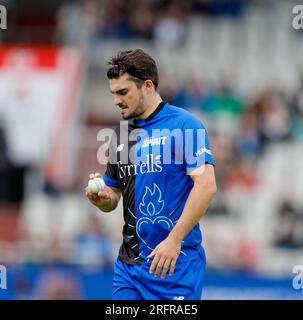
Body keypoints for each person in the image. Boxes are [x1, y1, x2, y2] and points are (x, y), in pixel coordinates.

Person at [85, 49, 217, 300]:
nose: (116, 100)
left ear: (147, 86)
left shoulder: (184, 125)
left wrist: (174, 240)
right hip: (129, 267)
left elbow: (206, 186)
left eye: (123, 92)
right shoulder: (121, 135)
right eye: (113, 93)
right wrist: (104, 199)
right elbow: (113, 194)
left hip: (174, 265)